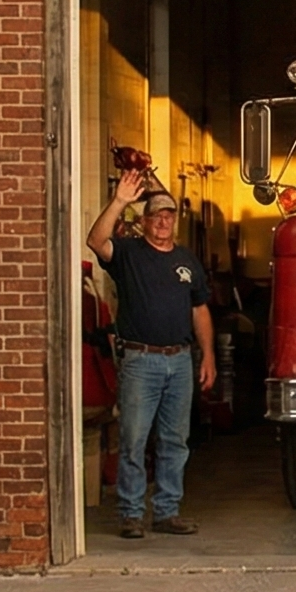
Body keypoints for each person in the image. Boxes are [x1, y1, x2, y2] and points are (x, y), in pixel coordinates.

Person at [85, 166, 214, 539]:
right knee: (134, 439)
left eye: (168, 215)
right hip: (141, 361)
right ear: (143, 221)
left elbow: (199, 309)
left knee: (175, 441)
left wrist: (206, 355)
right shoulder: (128, 254)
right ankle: (130, 513)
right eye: (156, 215)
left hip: (180, 360)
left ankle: (167, 512)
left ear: (175, 220)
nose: (162, 221)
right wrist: (119, 201)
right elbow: (96, 241)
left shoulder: (187, 261)